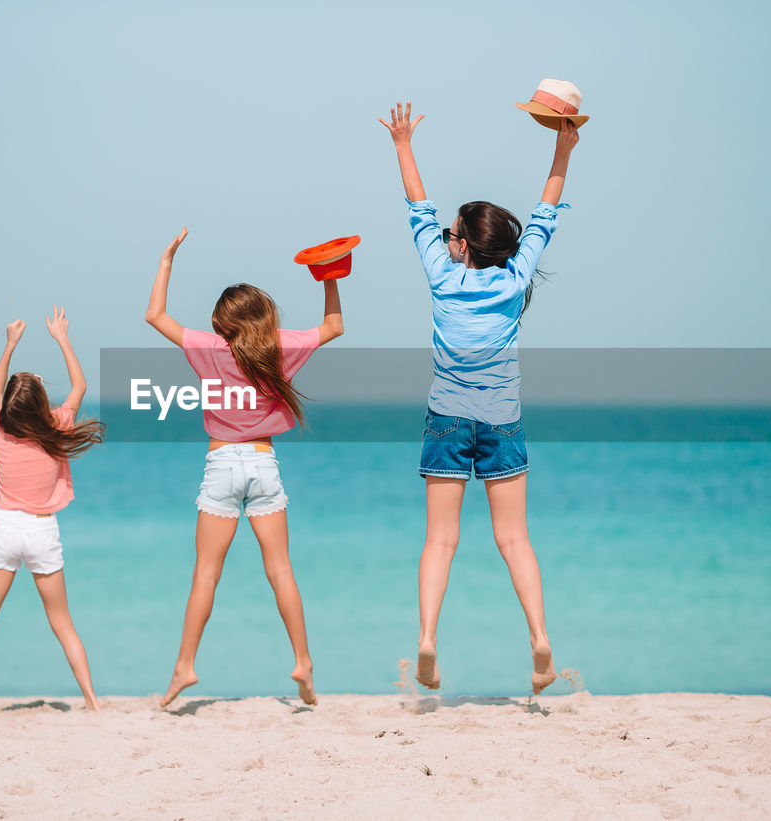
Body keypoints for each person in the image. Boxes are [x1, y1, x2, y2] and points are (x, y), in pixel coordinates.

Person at [378, 100, 579, 695]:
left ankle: (427, 639)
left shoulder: (443, 275)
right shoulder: (515, 279)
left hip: (447, 419)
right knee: (514, 538)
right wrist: (563, 148)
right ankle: (539, 637)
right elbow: (547, 212)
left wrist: (402, 144)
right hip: (502, 421)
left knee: (440, 539)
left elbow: (418, 206)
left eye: (451, 234)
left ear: (461, 245)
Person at [145, 227, 344, 707]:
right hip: (262, 463)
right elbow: (334, 326)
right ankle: (303, 661)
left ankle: (184, 666)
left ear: (223, 323)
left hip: (220, 466)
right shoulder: (282, 346)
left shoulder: (211, 349)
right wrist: (329, 274)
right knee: (280, 570)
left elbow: (154, 315)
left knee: (206, 574)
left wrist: (167, 259)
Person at [0, 307, 104, 713]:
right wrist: (63, 338)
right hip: (42, 533)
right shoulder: (57, 427)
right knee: (63, 624)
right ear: (40, 404)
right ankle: (92, 702)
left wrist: (9, 343)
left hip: (4, 529)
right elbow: (81, 384)